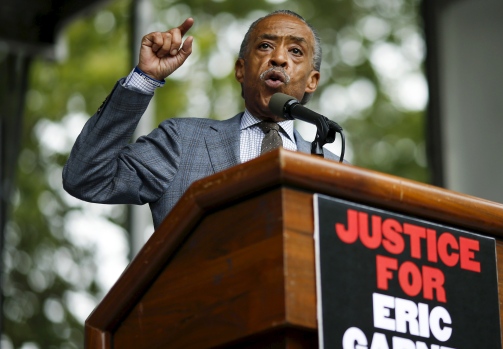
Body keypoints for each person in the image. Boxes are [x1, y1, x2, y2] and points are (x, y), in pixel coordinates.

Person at [62, 10, 343, 228]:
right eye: (265, 46)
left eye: (295, 51)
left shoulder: (334, 169)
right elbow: (86, 178)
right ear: (240, 70)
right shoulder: (182, 142)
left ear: (312, 81)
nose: (279, 58)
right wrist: (145, 80)